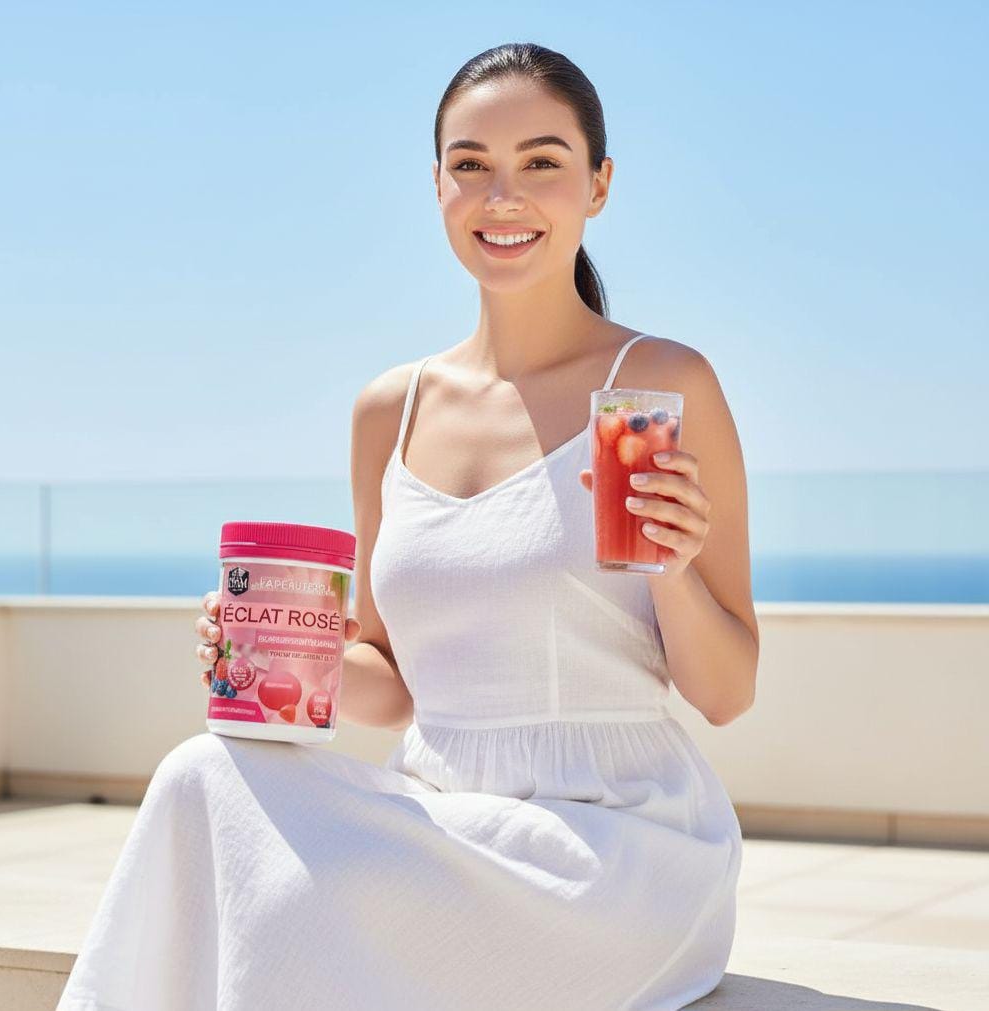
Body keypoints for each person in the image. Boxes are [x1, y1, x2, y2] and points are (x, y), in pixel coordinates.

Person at [57, 41, 759, 1011]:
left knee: (307, 915)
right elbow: (390, 685)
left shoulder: (654, 385)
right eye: (472, 164)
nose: (502, 196)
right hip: (439, 817)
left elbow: (726, 693)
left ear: (598, 185)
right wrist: (276, 647)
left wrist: (673, 568)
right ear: (437, 187)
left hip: (611, 847)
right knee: (200, 775)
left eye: (542, 162)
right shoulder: (391, 409)